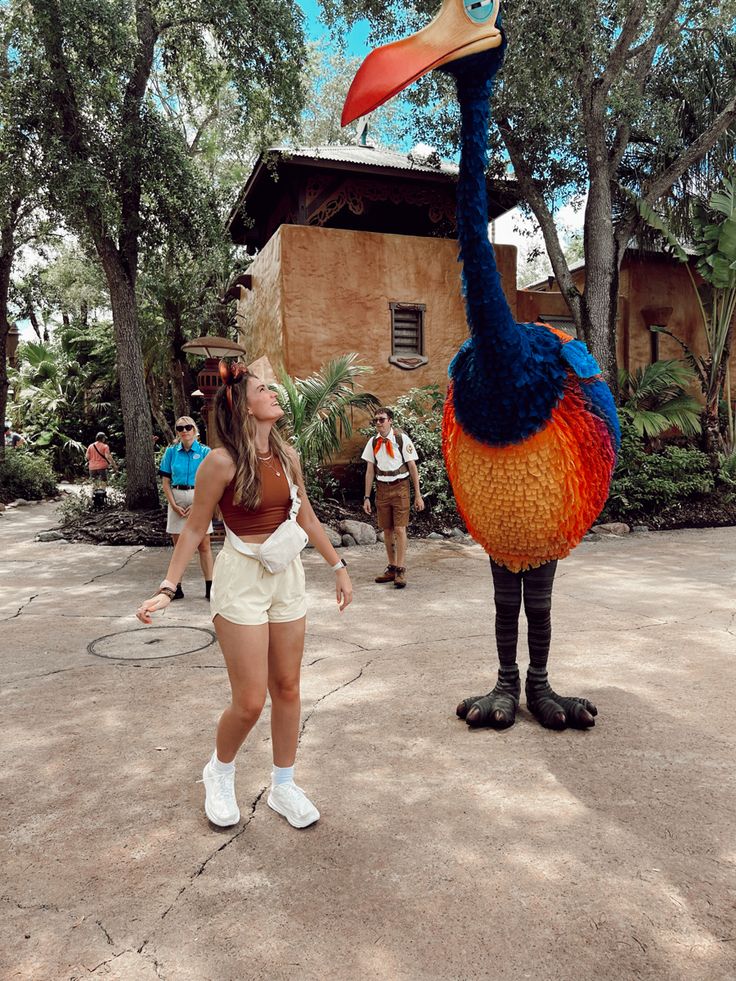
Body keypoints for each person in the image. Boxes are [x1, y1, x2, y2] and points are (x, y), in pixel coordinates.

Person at [136, 362, 353, 831]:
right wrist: (167, 589)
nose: (275, 394)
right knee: (251, 700)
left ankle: (284, 784)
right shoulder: (221, 461)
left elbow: (308, 519)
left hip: (285, 576)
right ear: (242, 405)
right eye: (264, 389)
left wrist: (338, 567)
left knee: (289, 688)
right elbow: (196, 526)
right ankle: (220, 771)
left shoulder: (287, 456)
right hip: (240, 579)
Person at [362, 406, 424, 588]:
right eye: (376, 420)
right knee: (387, 530)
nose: (378, 423)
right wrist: (366, 497)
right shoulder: (373, 442)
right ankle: (391, 567)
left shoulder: (401, 439)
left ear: (390, 421)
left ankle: (401, 569)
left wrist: (418, 495)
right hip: (382, 488)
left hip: (401, 487)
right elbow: (369, 471)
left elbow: (412, 467)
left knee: (399, 529)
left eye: (382, 419)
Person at [159, 416, 214, 601]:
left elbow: (211, 481)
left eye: (188, 427)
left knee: (204, 545)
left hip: (199, 497)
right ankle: (177, 587)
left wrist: (198, 503)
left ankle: (210, 586)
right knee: (178, 545)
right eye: (180, 428)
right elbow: (165, 481)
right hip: (177, 496)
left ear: (195, 430)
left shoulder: (206, 452)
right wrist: (173, 504)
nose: (184, 431)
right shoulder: (172, 452)